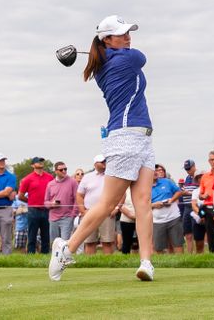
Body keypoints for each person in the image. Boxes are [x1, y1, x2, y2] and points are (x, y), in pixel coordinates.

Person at [50, 15, 156, 282]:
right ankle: (67, 248)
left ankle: (146, 263)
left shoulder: (109, 60)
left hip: (142, 137)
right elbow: (141, 57)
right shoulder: (126, 59)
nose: (128, 37)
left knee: (143, 202)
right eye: (122, 34)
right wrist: (113, 50)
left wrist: (109, 49)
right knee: (108, 203)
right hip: (125, 137)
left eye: (128, 32)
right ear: (106, 39)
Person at [77, 155, 118, 255]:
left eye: (105, 161)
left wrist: (116, 208)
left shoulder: (112, 176)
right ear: (95, 164)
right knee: (90, 242)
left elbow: (121, 194)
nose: (104, 163)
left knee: (107, 242)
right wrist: (83, 211)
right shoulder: (87, 177)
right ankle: (90, 264)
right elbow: (79, 195)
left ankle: (108, 265)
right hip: (90, 212)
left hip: (107, 212)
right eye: (102, 162)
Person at [19, 157, 53, 254]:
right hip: (33, 210)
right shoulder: (28, 179)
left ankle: (45, 256)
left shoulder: (50, 177)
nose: (40, 163)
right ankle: (31, 255)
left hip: (46, 210)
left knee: (46, 236)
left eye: (41, 161)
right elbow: (20, 196)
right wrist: (31, 201)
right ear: (32, 165)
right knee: (32, 235)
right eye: (37, 162)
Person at [150, 163, 183, 253]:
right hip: (157, 221)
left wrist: (172, 200)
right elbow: (142, 204)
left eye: (157, 170)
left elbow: (178, 192)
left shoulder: (166, 181)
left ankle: (181, 264)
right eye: (153, 170)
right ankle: (162, 266)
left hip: (174, 218)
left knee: (178, 243)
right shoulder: (145, 187)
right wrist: (153, 205)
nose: (156, 172)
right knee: (159, 248)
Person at [44, 161, 77, 243]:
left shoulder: (72, 182)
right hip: (53, 218)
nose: (64, 171)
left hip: (67, 217)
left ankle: (65, 256)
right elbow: (45, 202)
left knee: (65, 242)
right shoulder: (50, 184)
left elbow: (77, 199)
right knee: (54, 242)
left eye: (65, 169)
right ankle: (55, 256)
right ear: (55, 171)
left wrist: (73, 214)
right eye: (61, 170)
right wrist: (52, 204)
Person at [198, 150, 214, 253]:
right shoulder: (205, 176)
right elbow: (200, 195)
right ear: (209, 161)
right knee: (211, 234)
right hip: (208, 208)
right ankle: (213, 255)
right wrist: (203, 196)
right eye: (212, 160)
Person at [178, 159, 199, 254]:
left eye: (189, 168)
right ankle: (190, 254)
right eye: (186, 169)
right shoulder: (187, 178)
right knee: (188, 234)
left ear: (194, 166)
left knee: (197, 233)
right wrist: (183, 192)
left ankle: (198, 254)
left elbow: (200, 192)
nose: (188, 171)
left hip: (195, 206)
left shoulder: (199, 176)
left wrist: (188, 193)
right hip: (186, 207)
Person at [119, 187, 137, 254]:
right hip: (126, 220)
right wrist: (130, 215)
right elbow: (120, 205)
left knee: (139, 242)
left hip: (140, 220)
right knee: (126, 242)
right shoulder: (124, 190)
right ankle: (125, 259)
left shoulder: (141, 189)